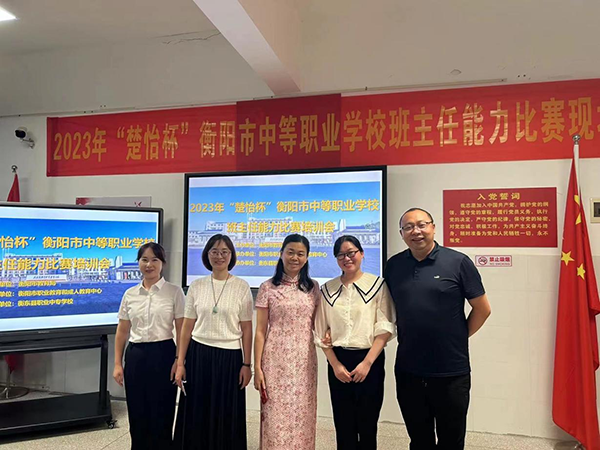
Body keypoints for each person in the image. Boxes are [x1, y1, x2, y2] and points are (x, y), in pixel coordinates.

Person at [385, 208, 492, 450]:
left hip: (450, 370)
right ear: (401, 234)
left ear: (433, 227)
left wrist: (457, 337)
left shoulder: (458, 262)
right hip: (409, 369)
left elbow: (482, 309)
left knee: (451, 440)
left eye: (421, 225)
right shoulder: (394, 265)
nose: (416, 231)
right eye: (408, 227)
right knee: (419, 439)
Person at [315, 235, 396, 450]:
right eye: (341, 255)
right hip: (338, 360)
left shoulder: (377, 285)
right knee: (343, 423)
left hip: (369, 359)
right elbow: (321, 332)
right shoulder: (327, 289)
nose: (347, 258)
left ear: (361, 253)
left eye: (351, 252)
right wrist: (335, 365)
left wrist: (367, 363)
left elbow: (385, 327)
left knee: (367, 423)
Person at [173, 234, 253, 450]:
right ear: (207, 255)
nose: (219, 256)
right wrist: (180, 363)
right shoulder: (196, 286)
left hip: (230, 357)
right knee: (197, 409)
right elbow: (187, 328)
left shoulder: (242, 287)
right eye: (214, 251)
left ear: (231, 255)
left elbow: (247, 329)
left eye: (224, 252)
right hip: (198, 355)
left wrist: (247, 364)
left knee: (226, 410)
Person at [113, 242, 185, 450]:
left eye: (155, 260)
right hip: (136, 355)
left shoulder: (174, 292)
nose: (149, 264)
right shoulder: (130, 294)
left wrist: (179, 360)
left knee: (162, 410)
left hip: (164, 354)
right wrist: (117, 364)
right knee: (137, 411)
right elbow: (122, 331)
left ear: (163, 263)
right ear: (138, 262)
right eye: (144, 259)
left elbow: (181, 330)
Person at [254, 234, 320, 450]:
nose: (295, 257)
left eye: (300, 254)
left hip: (304, 360)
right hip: (275, 360)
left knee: (303, 413)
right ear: (281, 253)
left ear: (307, 257)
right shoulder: (267, 287)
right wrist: (258, 368)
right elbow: (260, 331)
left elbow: (318, 324)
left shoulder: (313, 288)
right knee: (274, 414)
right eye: (290, 252)